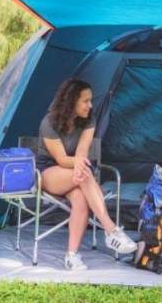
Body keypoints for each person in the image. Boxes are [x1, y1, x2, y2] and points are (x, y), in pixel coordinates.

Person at [36, 78, 137, 271]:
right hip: (49, 171)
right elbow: (62, 159)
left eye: (91, 100)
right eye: (85, 101)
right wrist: (81, 167)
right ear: (71, 101)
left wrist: (80, 166)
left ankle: (71, 256)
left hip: (76, 172)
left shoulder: (89, 120)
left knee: (82, 198)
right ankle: (111, 230)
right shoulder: (49, 123)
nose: (90, 105)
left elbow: (82, 151)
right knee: (86, 173)